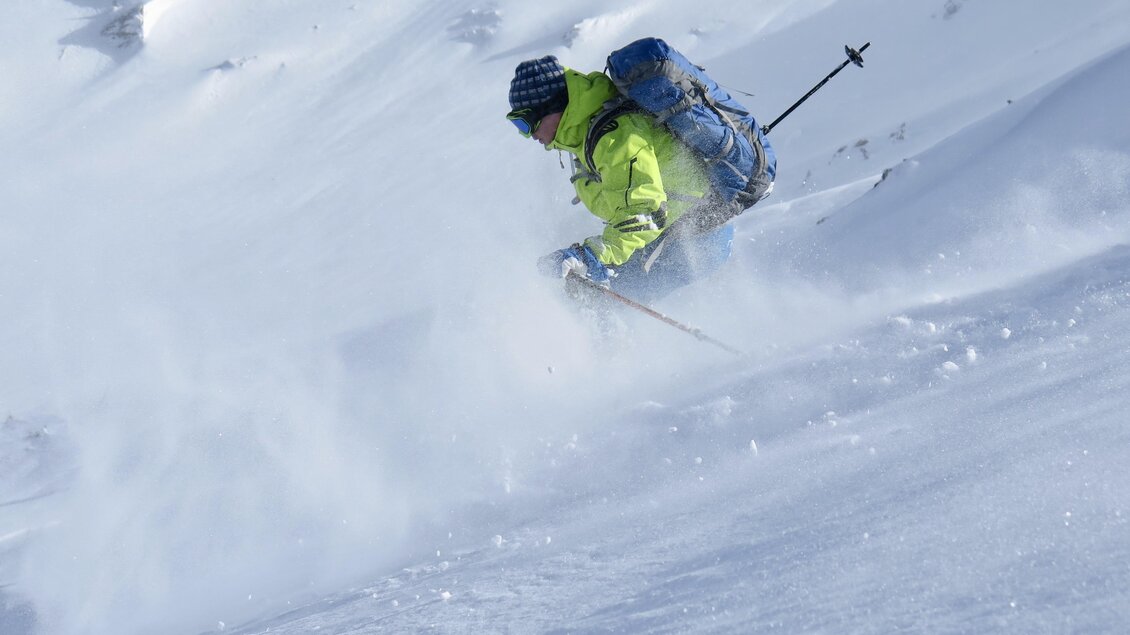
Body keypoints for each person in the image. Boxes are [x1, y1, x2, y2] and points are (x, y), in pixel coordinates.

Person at [507, 54, 771, 304]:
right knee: (583, 295)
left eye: (526, 123)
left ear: (552, 108)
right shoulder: (584, 135)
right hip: (672, 232)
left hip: (691, 237)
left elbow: (645, 210)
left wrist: (592, 255)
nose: (529, 135)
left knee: (599, 302)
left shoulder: (615, 136)